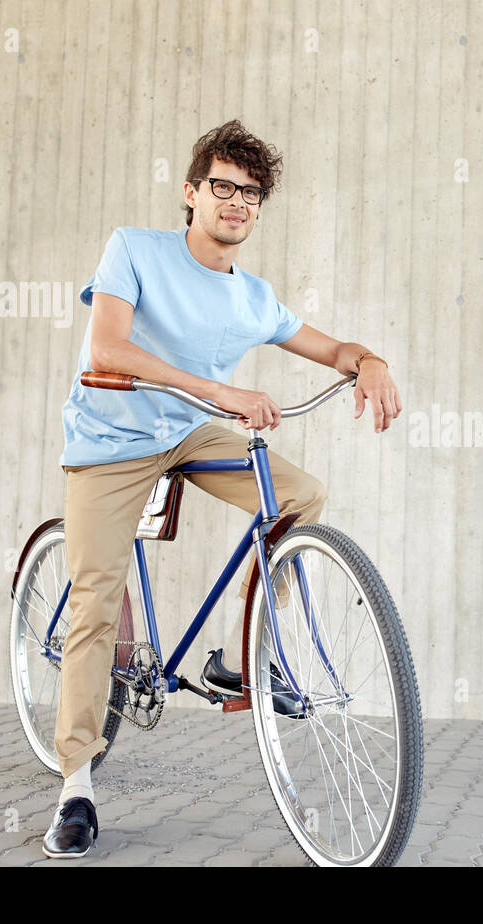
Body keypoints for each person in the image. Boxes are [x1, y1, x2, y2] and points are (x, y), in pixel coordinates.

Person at [42, 120, 402, 858]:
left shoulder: (255, 299)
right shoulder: (135, 249)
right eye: (223, 186)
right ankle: (76, 782)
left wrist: (370, 361)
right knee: (95, 599)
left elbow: (332, 348)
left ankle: (243, 656)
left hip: (192, 434)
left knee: (298, 495)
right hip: (112, 437)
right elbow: (108, 346)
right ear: (192, 192)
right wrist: (221, 390)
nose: (237, 201)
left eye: (251, 192)